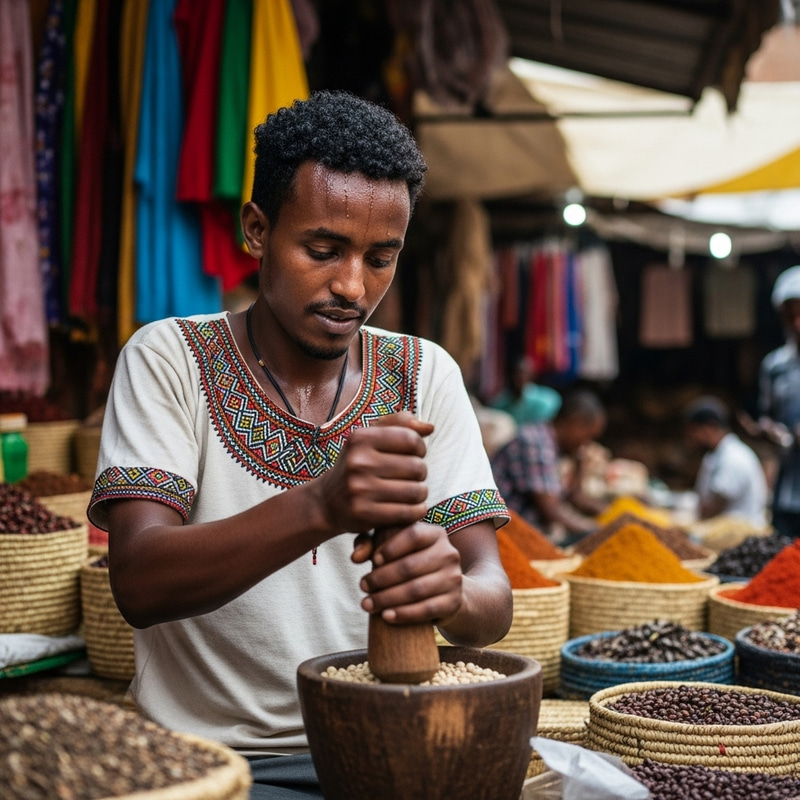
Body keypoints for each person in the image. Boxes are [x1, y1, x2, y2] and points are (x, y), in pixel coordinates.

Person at [87, 91, 512, 798]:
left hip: (389, 746)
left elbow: (492, 597)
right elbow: (139, 580)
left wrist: (453, 592)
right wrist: (322, 505)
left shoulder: (423, 372)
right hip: (207, 765)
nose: (352, 285)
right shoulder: (169, 360)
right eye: (323, 249)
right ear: (256, 229)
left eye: (382, 258)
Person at [489, 389, 607, 545]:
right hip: (504, 534)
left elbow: (576, 499)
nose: (587, 444)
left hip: (526, 532)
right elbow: (552, 510)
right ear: (575, 422)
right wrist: (598, 531)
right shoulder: (536, 442)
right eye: (588, 436)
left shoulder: (552, 445)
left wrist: (579, 467)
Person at [742, 265, 800, 538]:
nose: (798, 323)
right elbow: (768, 416)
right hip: (786, 489)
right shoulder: (775, 366)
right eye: (791, 315)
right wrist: (766, 431)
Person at [683, 396, 768, 528]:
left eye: (693, 431)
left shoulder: (732, 457)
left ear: (709, 428)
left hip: (737, 534)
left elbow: (714, 507)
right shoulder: (718, 454)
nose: (690, 438)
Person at [490, 355, 562, 426]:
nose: (520, 377)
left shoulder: (548, 399)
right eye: (517, 373)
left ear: (532, 375)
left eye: (524, 373)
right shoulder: (502, 402)